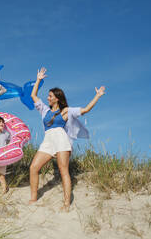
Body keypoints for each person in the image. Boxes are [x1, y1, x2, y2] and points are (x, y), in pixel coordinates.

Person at [29, 67, 106, 211]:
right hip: (48, 140)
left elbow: (86, 109)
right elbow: (33, 95)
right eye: (48, 96)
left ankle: (66, 203)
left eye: (50, 96)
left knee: (63, 170)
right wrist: (38, 80)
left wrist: (98, 96)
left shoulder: (66, 111)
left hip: (61, 140)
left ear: (57, 98)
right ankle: (33, 198)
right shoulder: (44, 110)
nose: (47, 98)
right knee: (33, 168)